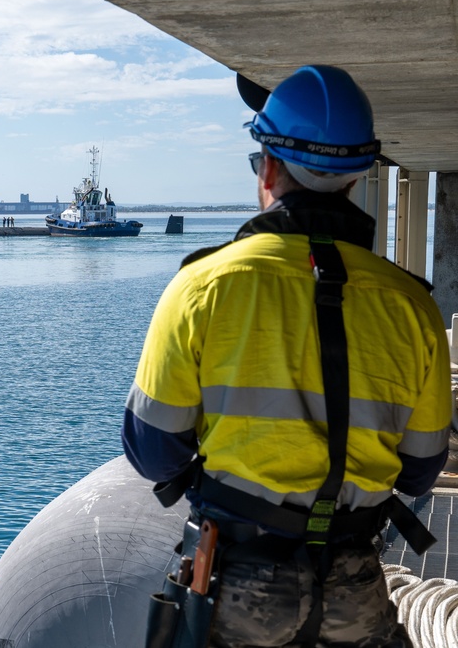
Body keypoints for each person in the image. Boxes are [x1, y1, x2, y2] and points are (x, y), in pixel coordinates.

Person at [123, 65, 452, 647]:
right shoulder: (413, 306)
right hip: (355, 579)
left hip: (235, 582)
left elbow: (153, 452)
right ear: (355, 179)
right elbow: (422, 469)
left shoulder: (202, 287)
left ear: (268, 166)